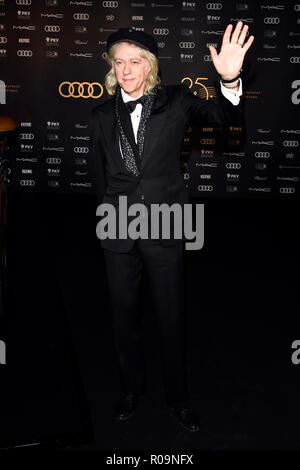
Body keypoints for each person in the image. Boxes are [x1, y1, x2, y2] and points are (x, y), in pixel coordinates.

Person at [90, 23, 254, 432]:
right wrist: (105, 224)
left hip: (166, 224)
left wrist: (229, 79)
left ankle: (178, 398)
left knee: (170, 316)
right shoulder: (98, 114)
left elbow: (222, 116)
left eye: (135, 61)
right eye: (119, 62)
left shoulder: (178, 100)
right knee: (122, 316)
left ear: (150, 65)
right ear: (112, 68)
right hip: (117, 227)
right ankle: (130, 389)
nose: (127, 70)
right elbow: (99, 176)